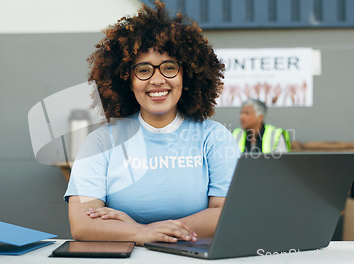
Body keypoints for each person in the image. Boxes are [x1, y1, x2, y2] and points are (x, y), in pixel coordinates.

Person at [64, 1, 240, 246]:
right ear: (127, 80)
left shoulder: (214, 137)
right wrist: (140, 235)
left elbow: (227, 214)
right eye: (144, 70)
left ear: (186, 75)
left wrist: (145, 230)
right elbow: (83, 224)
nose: (157, 80)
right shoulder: (102, 141)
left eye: (169, 68)